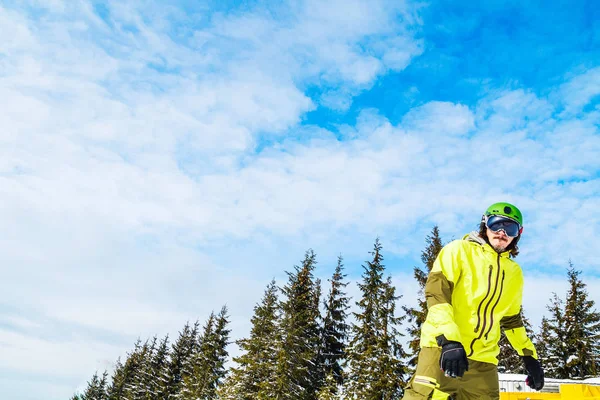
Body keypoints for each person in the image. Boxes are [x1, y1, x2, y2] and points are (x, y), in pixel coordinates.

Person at [402, 202, 544, 400]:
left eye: (509, 228)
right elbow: (437, 295)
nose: (502, 232)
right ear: (485, 225)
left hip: (483, 363)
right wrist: (449, 340)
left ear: (517, 234)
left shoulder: (514, 273)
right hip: (443, 351)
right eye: (496, 224)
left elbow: (511, 320)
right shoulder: (458, 251)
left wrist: (529, 357)